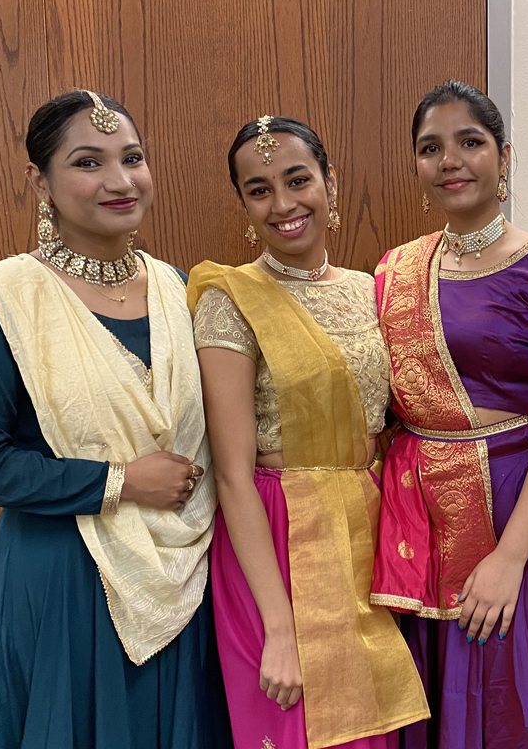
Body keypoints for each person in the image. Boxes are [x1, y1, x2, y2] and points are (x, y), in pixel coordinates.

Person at [0, 90, 230, 748]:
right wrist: (120, 481)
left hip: (183, 579)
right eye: (88, 163)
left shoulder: (179, 290)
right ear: (39, 182)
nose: (120, 181)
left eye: (132, 158)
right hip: (65, 578)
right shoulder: (4, 299)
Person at [371, 81, 528, 748]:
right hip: (423, 521)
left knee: (519, 695)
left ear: (503, 156)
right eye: (431, 148)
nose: (450, 160)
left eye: (469, 142)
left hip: (519, 517)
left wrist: (509, 556)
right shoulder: (397, 271)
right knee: (431, 693)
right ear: (417, 167)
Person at [189, 115, 428, 749]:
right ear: (243, 205)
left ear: (331, 183)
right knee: (294, 725)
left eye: (298, 179)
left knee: (372, 728)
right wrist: (280, 628)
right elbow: (233, 472)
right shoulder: (231, 299)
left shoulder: (371, 291)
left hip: (368, 534)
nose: (284, 203)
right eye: (259, 189)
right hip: (275, 535)